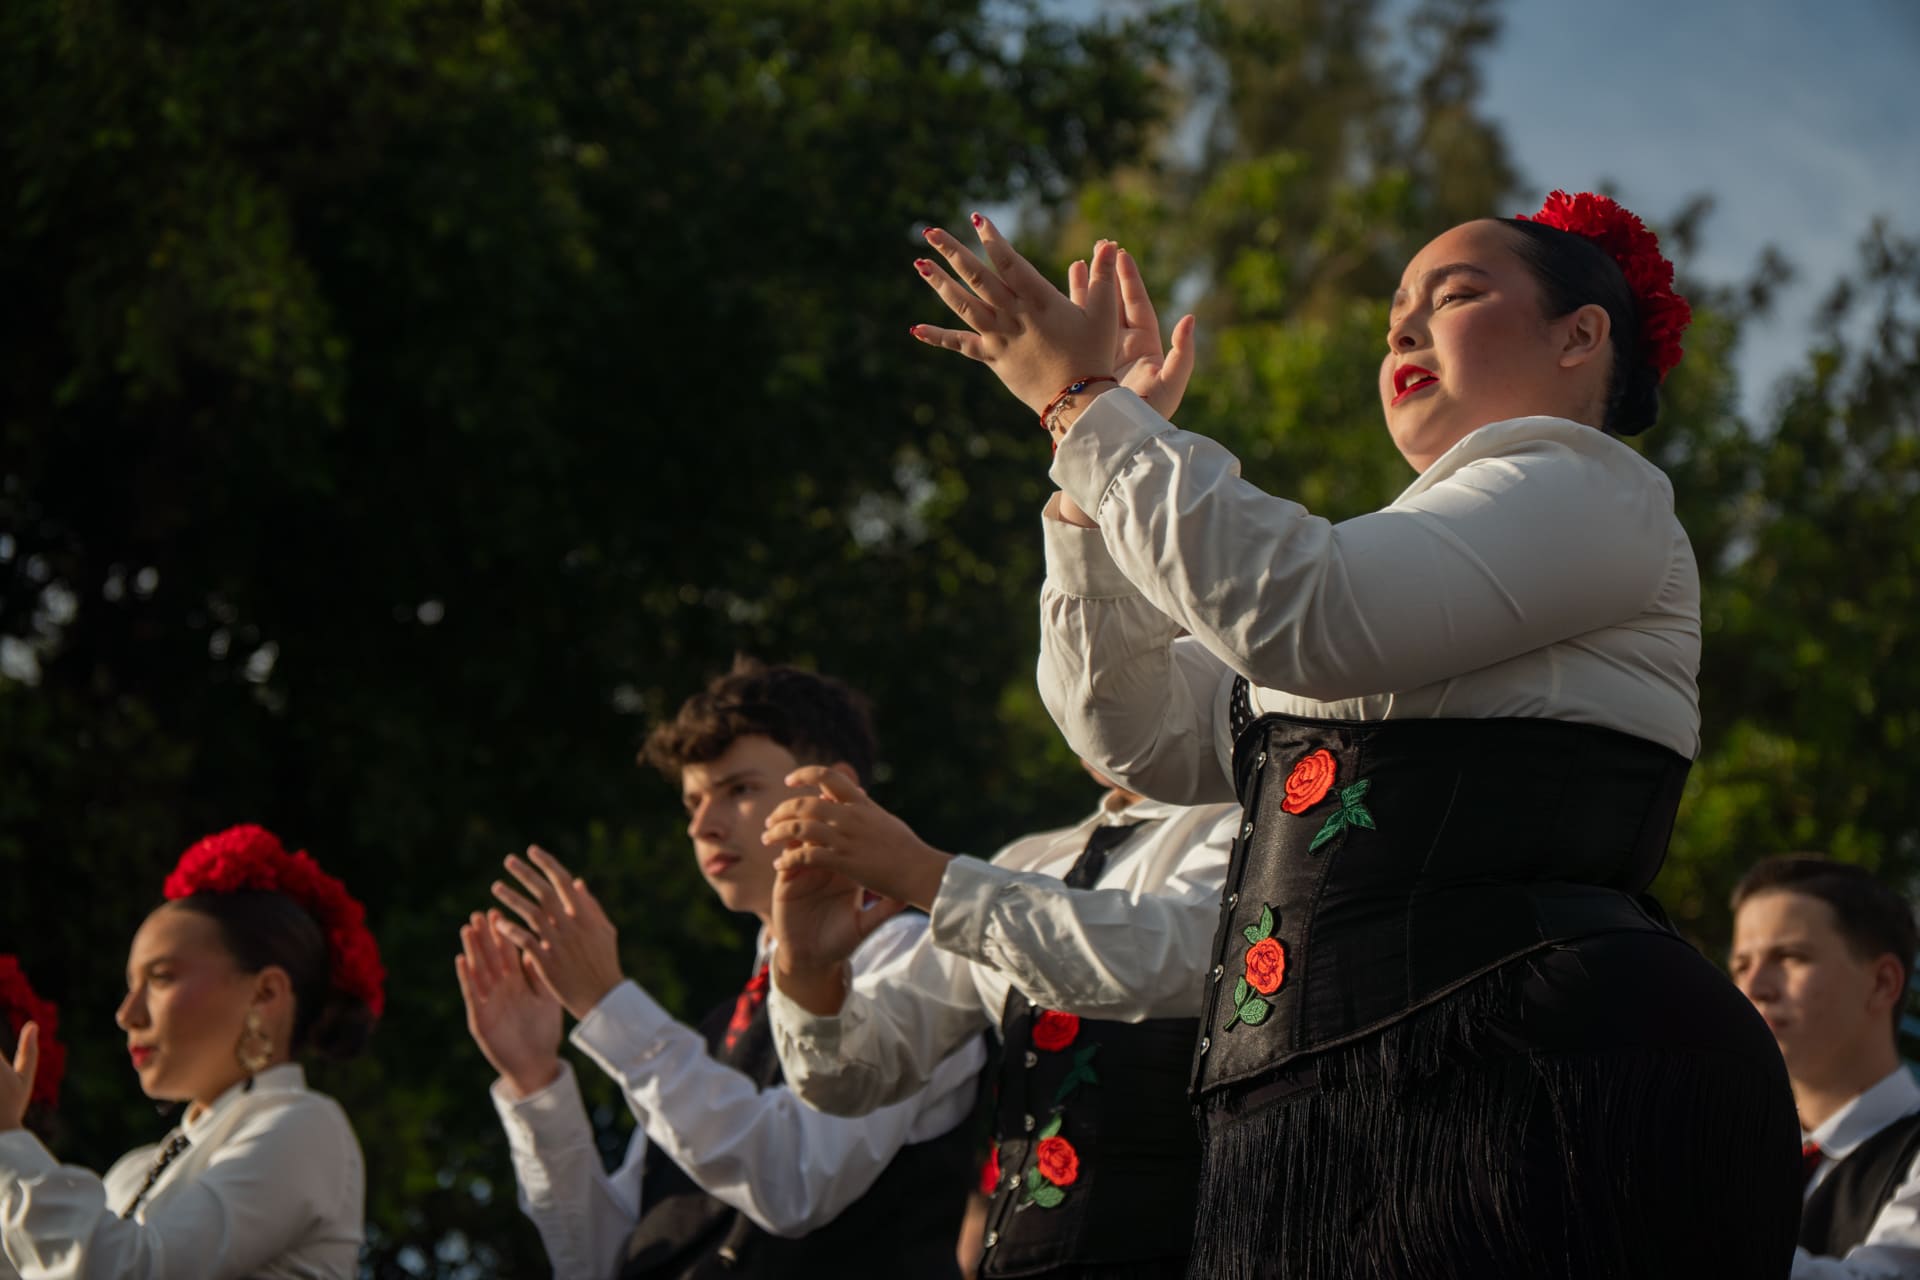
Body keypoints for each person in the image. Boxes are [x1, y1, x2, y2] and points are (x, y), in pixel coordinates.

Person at [908, 191, 1802, 1277]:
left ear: (1580, 336)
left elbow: (1306, 614)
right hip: (1323, 1113)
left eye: (1454, 296)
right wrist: (1088, 492)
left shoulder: (1593, 487)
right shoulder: (1384, 566)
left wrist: (1091, 411)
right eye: (1392, 318)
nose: (1404, 329)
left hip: (1535, 1082)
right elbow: (1131, 731)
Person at [461, 657, 985, 1279]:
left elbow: (798, 1180)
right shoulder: (710, 1035)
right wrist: (536, 1083)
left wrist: (609, 1006)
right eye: (692, 802)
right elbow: (608, 1261)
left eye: (739, 789)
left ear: (831, 792)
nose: (702, 826)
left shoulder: (905, 957)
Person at [765, 760, 1238, 1277]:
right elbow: (851, 1077)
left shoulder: (1245, 825)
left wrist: (925, 874)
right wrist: (807, 966)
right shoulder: (1027, 860)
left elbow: (1164, 958)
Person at [0, 824, 377, 1279]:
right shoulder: (132, 1171)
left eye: (160, 978)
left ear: (265, 994)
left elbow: (130, 1270)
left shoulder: (305, 1126)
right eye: (130, 986)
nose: (127, 1014)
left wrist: (8, 1140)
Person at [1731, 855, 1920, 1278]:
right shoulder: (1731, 1142)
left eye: (1789, 956)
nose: (1754, 987)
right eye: (1741, 966)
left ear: (1882, 983)